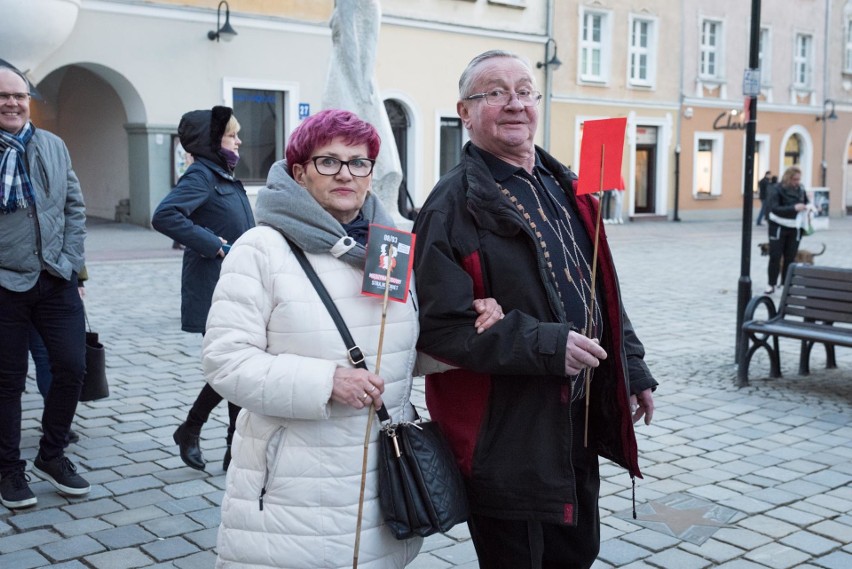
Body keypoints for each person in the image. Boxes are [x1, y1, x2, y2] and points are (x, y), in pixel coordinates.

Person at [201, 109, 503, 568]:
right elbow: (226, 362)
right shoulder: (262, 248)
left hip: (383, 478)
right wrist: (327, 381)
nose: (346, 173)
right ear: (300, 172)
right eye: (329, 162)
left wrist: (471, 325)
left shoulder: (390, 246)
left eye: (359, 163)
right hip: (294, 485)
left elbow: (403, 350)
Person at [412, 51, 658, 569]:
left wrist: (630, 367)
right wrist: (546, 344)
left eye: (525, 91)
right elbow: (441, 328)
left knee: (577, 553)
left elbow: (602, 288)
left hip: (578, 419)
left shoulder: (567, 186)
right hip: (508, 436)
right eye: (496, 92)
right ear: (465, 110)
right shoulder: (450, 206)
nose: (515, 103)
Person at [0, 65, 90, 509]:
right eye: (2, 95)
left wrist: (73, 264)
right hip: (4, 283)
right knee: (7, 383)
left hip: (56, 278)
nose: (12, 103)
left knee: (72, 367)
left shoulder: (53, 144)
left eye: (19, 94)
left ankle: (51, 455)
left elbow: (74, 206)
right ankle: (8, 470)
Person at [152, 106, 255, 472]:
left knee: (235, 364)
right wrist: (212, 243)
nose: (238, 141)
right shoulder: (201, 175)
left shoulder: (221, 175)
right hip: (214, 288)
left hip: (238, 285)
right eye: (231, 135)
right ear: (212, 142)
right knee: (234, 364)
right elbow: (164, 216)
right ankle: (228, 444)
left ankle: (198, 430)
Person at [29, 265, 89, 445]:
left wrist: (76, 278)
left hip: (52, 282)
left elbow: (73, 239)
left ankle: (57, 423)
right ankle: (57, 425)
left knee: (43, 356)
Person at [764, 165, 808, 294]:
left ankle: (785, 284)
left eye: (799, 179)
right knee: (775, 256)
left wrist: (811, 207)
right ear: (788, 178)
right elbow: (775, 208)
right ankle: (771, 284)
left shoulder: (801, 189)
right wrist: (794, 208)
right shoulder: (776, 189)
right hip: (778, 226)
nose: (797, 182)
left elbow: (806, 202)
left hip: (795, 227)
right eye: (795, 179)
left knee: (790, 257)